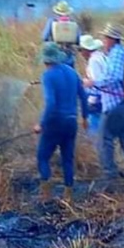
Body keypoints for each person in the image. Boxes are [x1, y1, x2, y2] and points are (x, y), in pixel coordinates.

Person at [35, 42, 89, 203]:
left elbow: (51, 103)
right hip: (71, 122)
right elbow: (84, 97)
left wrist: (41, 124)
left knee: (42, 157)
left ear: (45, 61)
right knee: (67, 159)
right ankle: (68, 195)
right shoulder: (72, 72)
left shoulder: (48, 76)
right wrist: (84, 118)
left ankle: (45, 195)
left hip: (55, 122)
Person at [97, 23, 124, 178]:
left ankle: (109, 174)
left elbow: (114, 77)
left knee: (104, 137)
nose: (103, 40)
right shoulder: (120, 52)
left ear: (112, 39)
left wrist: (94, 82)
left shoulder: (116, 54)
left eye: (105, 37)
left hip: (116, 104)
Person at [79, 33, 107, 135]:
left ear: (86, 50)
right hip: (105, 99)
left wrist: (91, 102)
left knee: (95, 130)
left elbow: (96, 83)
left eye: (81, 50)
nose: (80, 53)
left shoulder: (93, 61)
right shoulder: (101, 56)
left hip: (97, 101)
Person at [41, 1, 78, 67]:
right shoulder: (73, 22)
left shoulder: (52, 21)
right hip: (69, 53)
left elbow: (44, 37)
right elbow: (78, 39)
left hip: (55, 53)